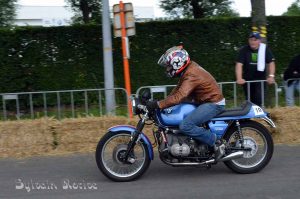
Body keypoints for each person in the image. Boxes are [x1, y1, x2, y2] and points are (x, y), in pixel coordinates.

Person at [146, 45, 226, 159]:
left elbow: (179, 96)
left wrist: (158, 104)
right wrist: (161, 103)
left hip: (213, 103)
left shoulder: (191, 74)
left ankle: (217, 143)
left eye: (168, 66)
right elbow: (176, 92)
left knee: (185, 125)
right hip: (204, 102)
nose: (167, 69)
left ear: (177, 63)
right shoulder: (188, 71)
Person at [235, 32, 276, 107]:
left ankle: (258, 115)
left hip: (260, 79)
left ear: (259, 41)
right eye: (251, 40)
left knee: (259, 99)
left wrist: (271, 76)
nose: (252, 42)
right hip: (247, 79)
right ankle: (250, 115)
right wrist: (239, 78)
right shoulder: (244, 50)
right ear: (248, 40)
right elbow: (239, 64)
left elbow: (271, 63)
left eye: (255, 40)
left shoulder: (264, 49)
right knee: (249, 100)